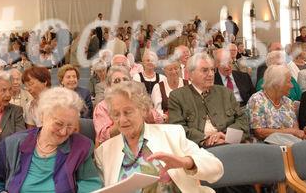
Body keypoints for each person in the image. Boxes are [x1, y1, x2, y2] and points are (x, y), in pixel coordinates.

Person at [95, 80, 223, 192]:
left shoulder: (171, 134)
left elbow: (216, 168)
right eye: (116, 114)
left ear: (144, 110)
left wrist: (185, 162)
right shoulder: (105, 151)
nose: (122, 120)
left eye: (128, 112)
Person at [0, 87, 102, 192]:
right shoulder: (12, 144)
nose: (63, 132)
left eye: (70, 126)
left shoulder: (81, 147)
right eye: (58, 124)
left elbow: (91, 184)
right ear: (42, 116)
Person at [168, 53, 249, 147]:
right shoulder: (177, 96)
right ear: (190, 74)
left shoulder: (226, 93)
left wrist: (226, 136)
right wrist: (206, 139)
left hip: (229, 145)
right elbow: (178, 129)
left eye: (212, 70)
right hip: (197, 150)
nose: (211, 74)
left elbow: (242, 121)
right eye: (205, 70)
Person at [94, 66, 164, 145]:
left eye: (125, 79)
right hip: (116, 145)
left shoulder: (138, 100)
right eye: (117, 81)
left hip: (145, 141)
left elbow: (159, 120)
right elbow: (102, 135)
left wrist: (144, 110)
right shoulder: (102, 106)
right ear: (109, 86)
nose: (122, 83)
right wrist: (128, 121)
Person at [247, 65, 306, 141]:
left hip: (289, 144)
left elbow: (296, 130)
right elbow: (259, 133)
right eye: (288, 82)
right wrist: (288, 132)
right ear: (277, 84)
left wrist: (296, 133)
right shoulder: (257, 100)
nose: (292, 86)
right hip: (265, 147)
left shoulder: (287, 102)